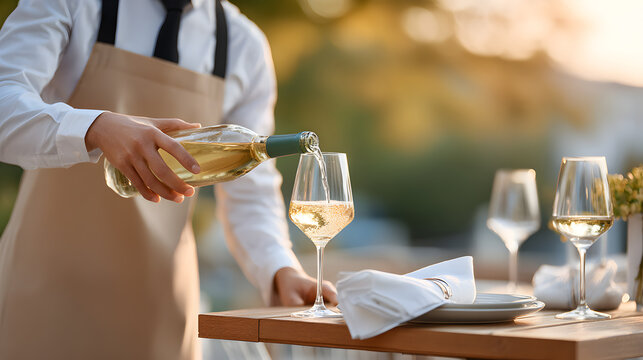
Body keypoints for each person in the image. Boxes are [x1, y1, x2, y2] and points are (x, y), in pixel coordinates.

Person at [0, 0, 336, 359]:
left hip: (162, 317)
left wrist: (279, 268)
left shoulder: (244, 45)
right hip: (43, 300)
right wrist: (95, 127)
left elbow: (251, 191)